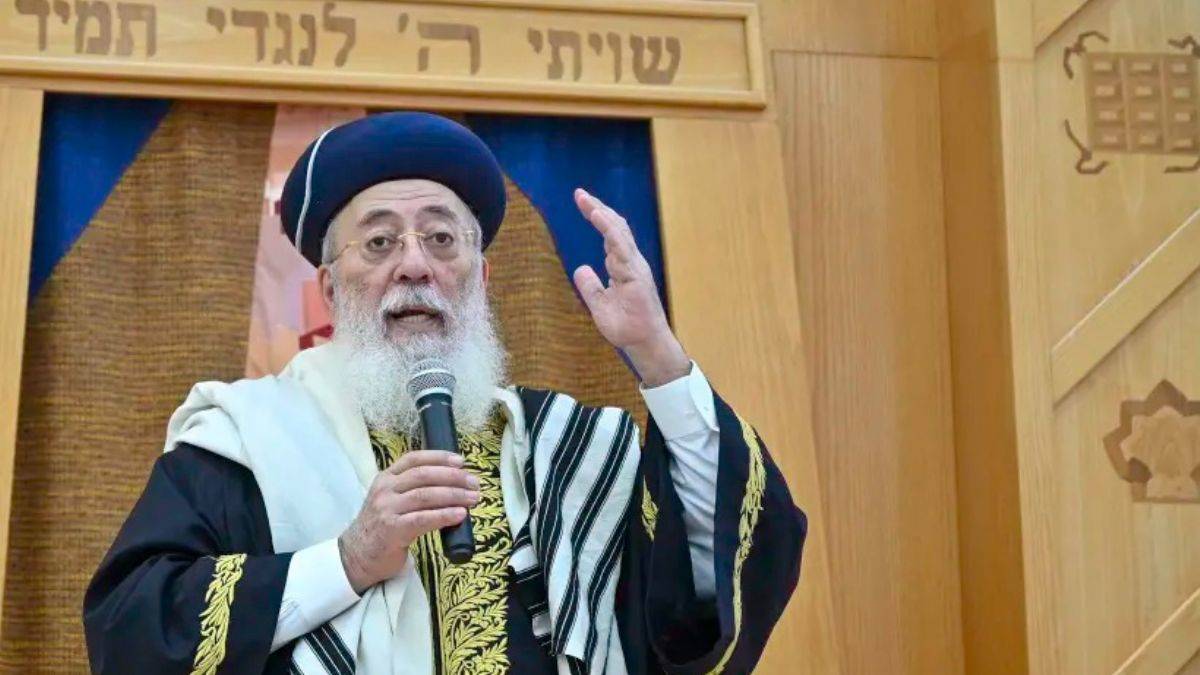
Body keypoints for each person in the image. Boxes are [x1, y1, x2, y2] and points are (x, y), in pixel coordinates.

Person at [83, 112, 806, 674]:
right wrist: (347, 561)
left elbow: (724, 574)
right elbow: (131, 630)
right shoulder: (248, 440)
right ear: (330, 288)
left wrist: (658, 357)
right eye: (379, 242)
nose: (414, 266)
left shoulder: (568, 449)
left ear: (480, 278)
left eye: (441, 239)